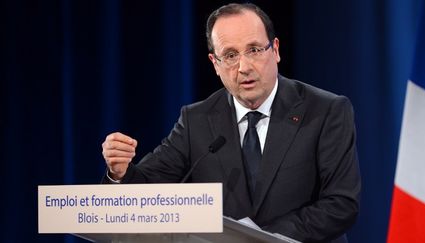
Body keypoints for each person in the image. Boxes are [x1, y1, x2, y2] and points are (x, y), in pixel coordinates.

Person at [101, 3, 361, 243]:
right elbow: (147, 190)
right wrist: (119, 173)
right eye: (230, 55)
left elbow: (341, 204)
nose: (244, 66)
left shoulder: (326, 110)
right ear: (215, 64)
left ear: (276, 50)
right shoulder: (197, 121)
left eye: (254, 50)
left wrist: (262, 238)